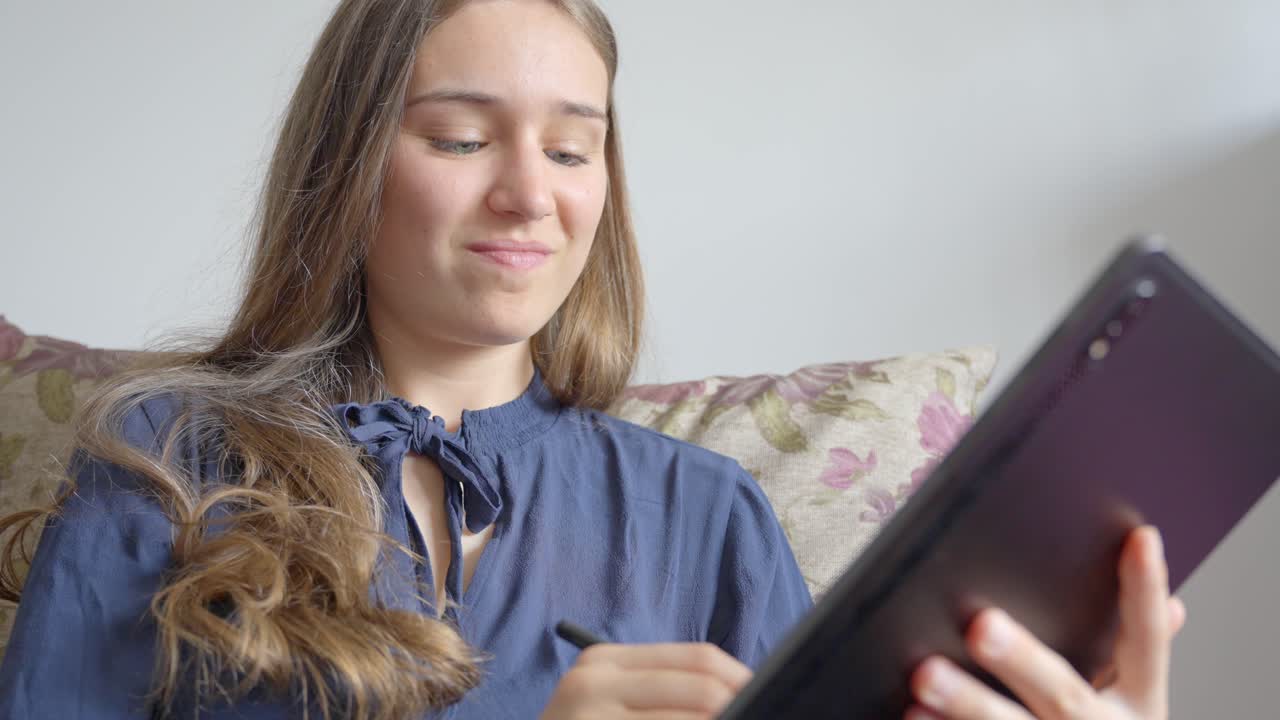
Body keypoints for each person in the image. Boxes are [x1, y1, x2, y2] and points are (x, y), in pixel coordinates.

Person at [0, 1, 1184, 719]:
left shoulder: (706, 517)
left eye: (572, 151)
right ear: (346, 173)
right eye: (460, 138)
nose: (529, 194)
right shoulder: (167, 459)